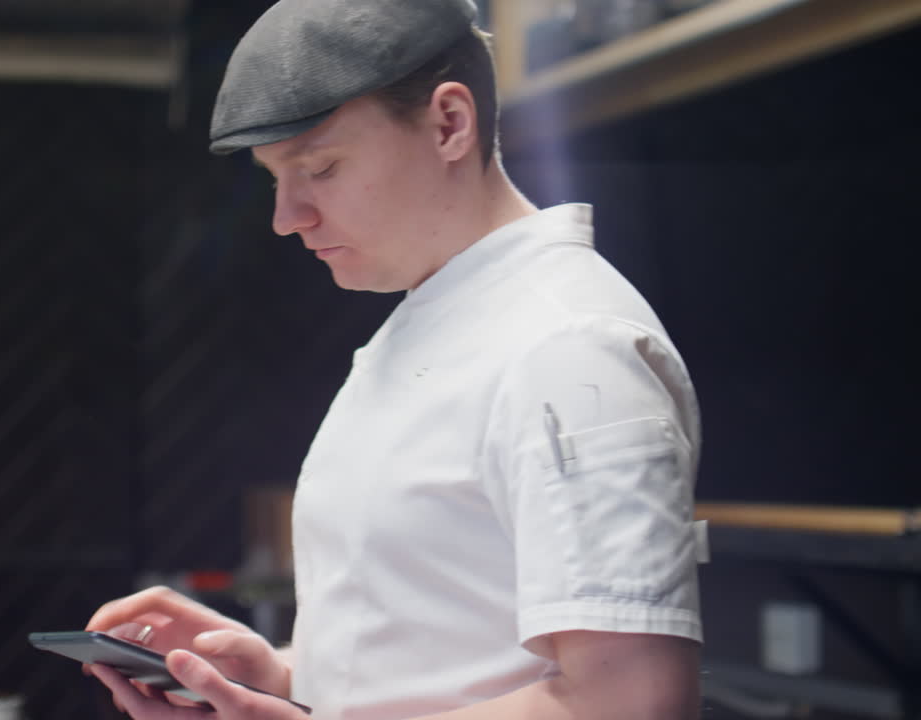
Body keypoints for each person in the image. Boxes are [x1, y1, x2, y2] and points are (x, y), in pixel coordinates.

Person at [85, 1, 705, 718]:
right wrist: (282, 675)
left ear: (449, 124)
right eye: (276, 177)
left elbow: (630, 701)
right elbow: (447, 648)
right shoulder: (433, 323)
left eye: (320, 167)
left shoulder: (568, 345)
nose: (288, 217)